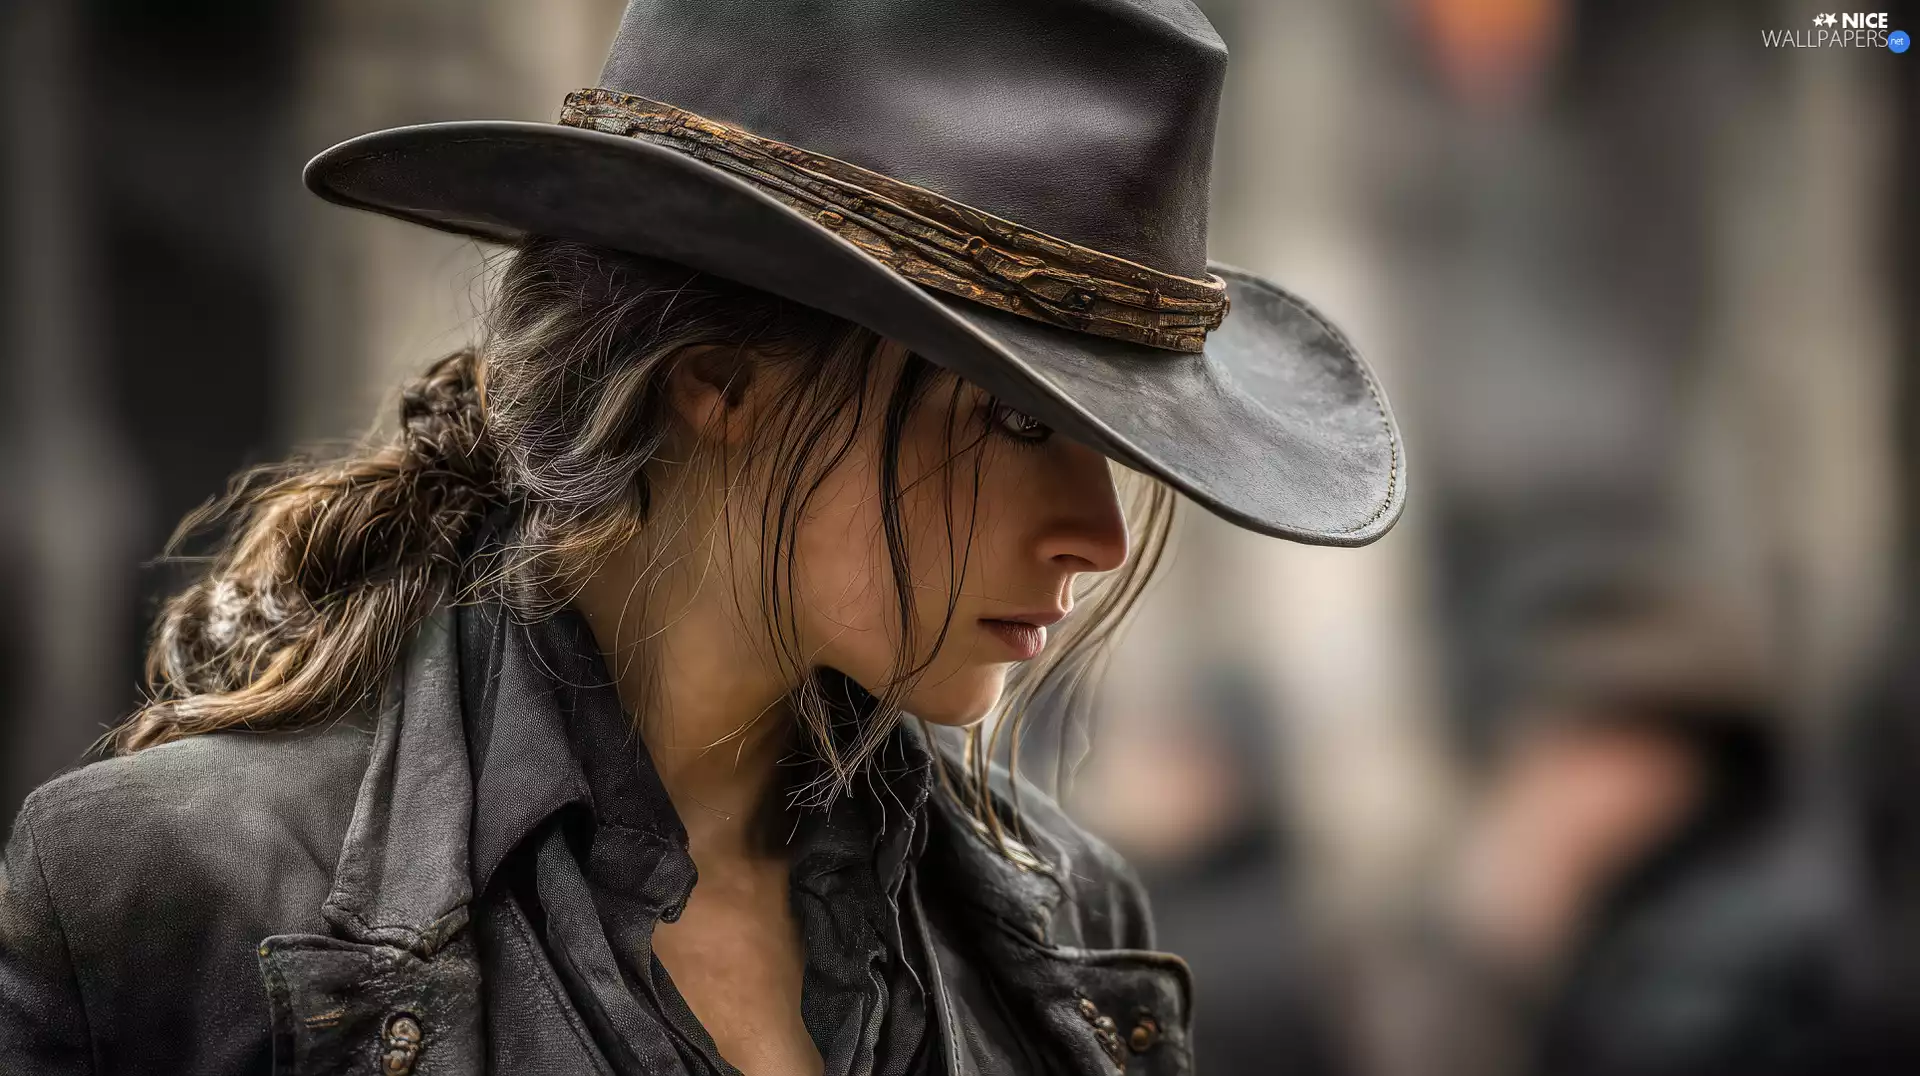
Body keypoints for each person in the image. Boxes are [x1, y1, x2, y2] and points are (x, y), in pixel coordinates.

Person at [0, 1, 1406, 1073]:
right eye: (1023, 423)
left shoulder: (1065, 927)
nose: (1096, 535)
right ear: (718, 381)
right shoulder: (171, 898)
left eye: (1117, 446)